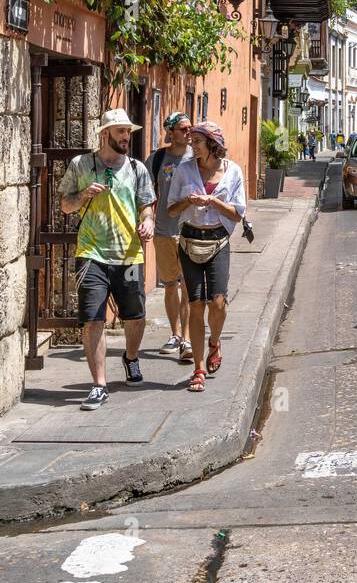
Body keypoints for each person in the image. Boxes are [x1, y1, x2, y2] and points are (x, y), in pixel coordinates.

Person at [58, 109, 156, 410]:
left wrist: (148, 221)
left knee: (135, 316)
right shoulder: (81, 165)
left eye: (128, 132)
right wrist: (83, 195)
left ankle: (130, 357)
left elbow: (146, 206)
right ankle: (99, 384)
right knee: (92, 319)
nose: (126, 137)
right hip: (91, 252)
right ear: (106, 134)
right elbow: (64, 205)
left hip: (128, 253)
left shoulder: (138, 168)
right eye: (120, 132)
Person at [167, 121, 246, 393]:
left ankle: (215, 341)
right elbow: (172, 210)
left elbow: (237, 214)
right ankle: (199, 368)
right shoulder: (183, 170)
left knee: (218, 303)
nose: (192, 145)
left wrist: (214, 202)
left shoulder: (233, 171)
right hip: (189, 241)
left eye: (197, 141)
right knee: (196, 304)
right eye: (192, 142)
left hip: (218, 241)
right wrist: (188, 200)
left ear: (212, 143)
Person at [146, 112, 194, 362]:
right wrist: (146, 219)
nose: (188, 132)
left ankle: (187, 338)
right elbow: (144, 193)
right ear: (171, 132)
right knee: (169, 285)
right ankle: (174, 334)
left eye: (190, 128)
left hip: (190, 231)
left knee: (187, 286)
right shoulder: (156, 160)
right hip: (164, 230)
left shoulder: (196, 158)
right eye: (183, 129)